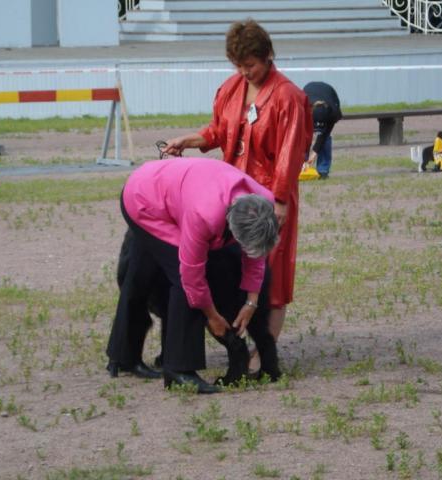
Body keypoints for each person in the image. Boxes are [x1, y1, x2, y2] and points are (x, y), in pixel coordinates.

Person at [163, 19, 312, 373]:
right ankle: (239, 346)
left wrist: (279, 201)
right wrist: (189, 139)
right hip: (230, 197)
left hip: (269, 201)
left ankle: (265, 353)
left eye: (251, 66)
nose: (245, 73)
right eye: (239, 66)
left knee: (271, 275)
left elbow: (291, 153)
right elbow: (217, 131)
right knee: (232, 271)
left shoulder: (289, 97)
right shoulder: (230, 89)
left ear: (268, 56)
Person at [105, 157, 279, 394]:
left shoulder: (264, 203)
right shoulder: (204, 216)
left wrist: (251, 301)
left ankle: (124, 355)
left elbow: (255, 254)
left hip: (167, 187)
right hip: (143, 201)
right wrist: (213, 317)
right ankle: (179, 370)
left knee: (139, 276)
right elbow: (192, 277)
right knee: (181, 278)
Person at [303, 81, 342, 179]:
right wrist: (304, 158)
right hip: (309, 90)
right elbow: (303, 136)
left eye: (321, 124)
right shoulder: (302, 110)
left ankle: (323, 170)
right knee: (302, 137)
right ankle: (302, 167)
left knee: (325, 138)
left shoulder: (333, 113)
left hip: (329, 93)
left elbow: (324, 134)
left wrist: (315, 152)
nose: (317, 128)